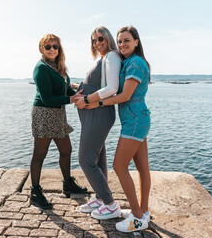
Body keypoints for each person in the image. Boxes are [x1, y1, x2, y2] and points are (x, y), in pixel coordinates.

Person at [83, 26, 151, 232]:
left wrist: (97, 103)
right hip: (137, 119)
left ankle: (138, 218)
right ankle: (144, 211)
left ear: (136, 42)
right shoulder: (128, 61)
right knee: (142, 168)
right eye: (120, 41)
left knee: (119, 166)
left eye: (127, 41)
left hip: (135, 121)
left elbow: (125, 96)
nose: (122, 44)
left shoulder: (136, 63)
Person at [30, 34, 87, 209]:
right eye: (48, 47)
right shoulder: (41, 68)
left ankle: (67, 184)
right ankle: (35, 192)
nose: (52, 49)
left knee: (66, 150)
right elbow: (47, 99)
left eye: (55, 46)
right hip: (44, 113)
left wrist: (81, 95)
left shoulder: (58, 66)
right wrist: (71, 100)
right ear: (42, 49)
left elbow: (66, 88)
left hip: (58, 113)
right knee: (40, 154)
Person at [75, 26, 122, 220]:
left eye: (100, 39)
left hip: (98, 114)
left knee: (85, 159)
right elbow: (98, 86)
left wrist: (86, 100)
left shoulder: (111, 57)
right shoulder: (103, 59)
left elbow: (112, 88)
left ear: (108, 38)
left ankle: (110, 204)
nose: (97, 43)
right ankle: (101, 198)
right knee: (98, 158)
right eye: (94, 40)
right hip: (93, 115)